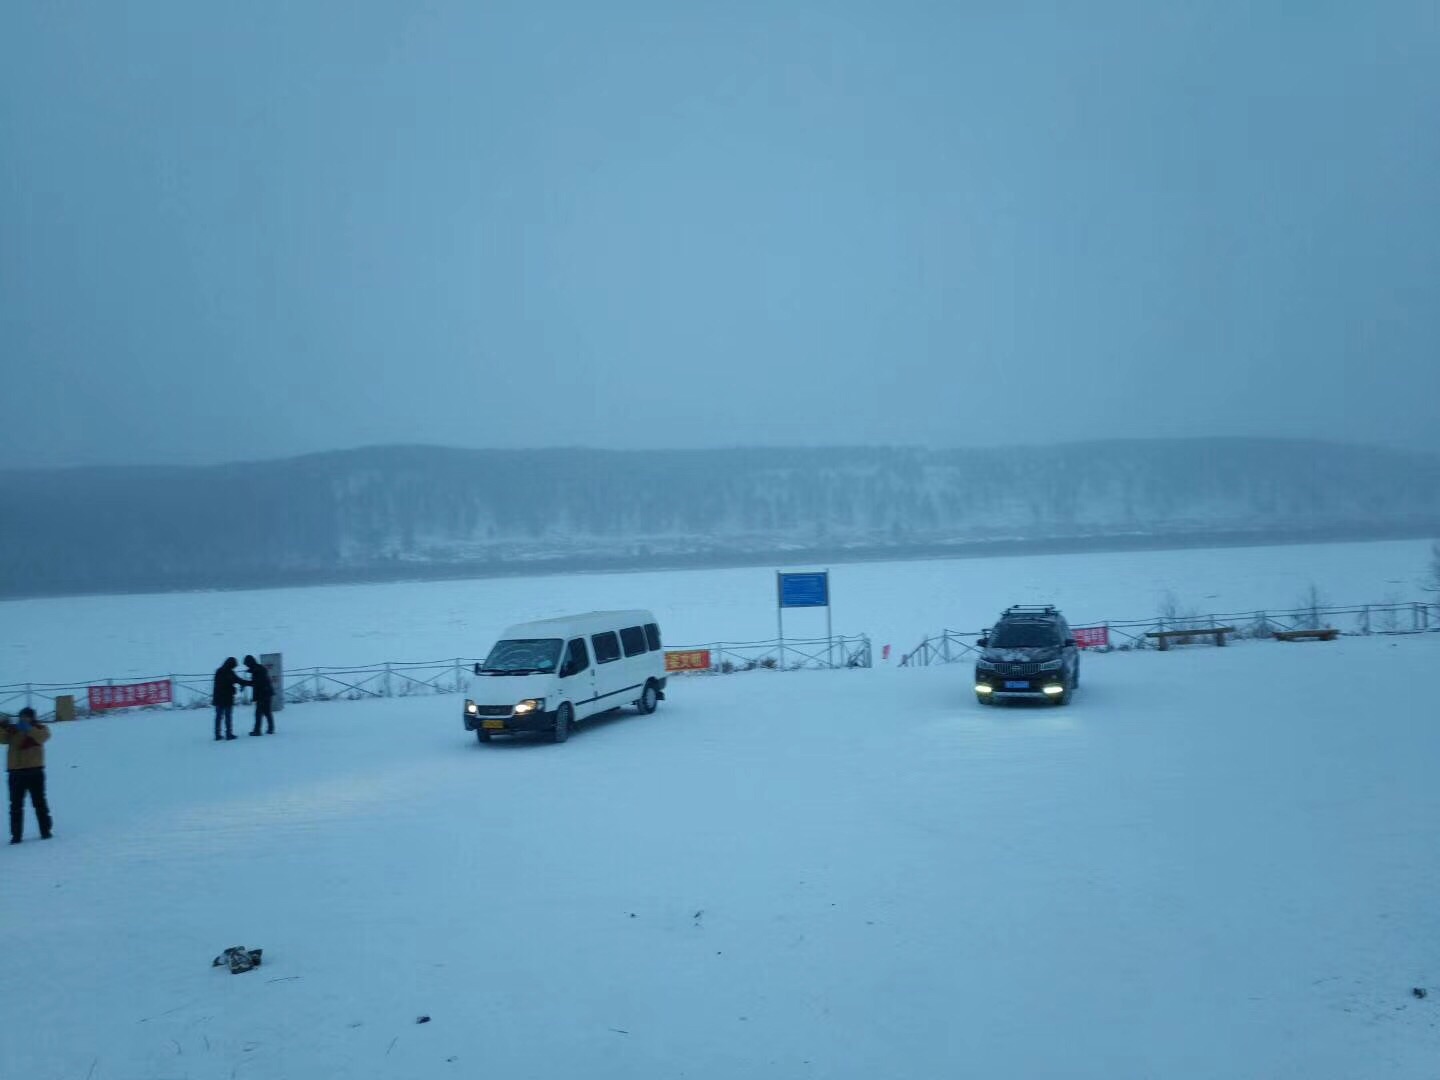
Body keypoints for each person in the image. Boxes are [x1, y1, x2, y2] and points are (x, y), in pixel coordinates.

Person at [1, 707, 53, 844]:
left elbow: (43, 737)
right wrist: (1, 725)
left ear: (32, 718)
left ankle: (45, 831)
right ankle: (16, 835)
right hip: (16, 773)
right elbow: (1, 739)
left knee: (39, 803)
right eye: (21, 717)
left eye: (26, 717)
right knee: (16, 806)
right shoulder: (12, 731)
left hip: (35, 771)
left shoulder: (41, 729)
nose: (23, 719)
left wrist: (28, 729)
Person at [212, 657, 245, 741]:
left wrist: (244, 683)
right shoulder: (228, 672)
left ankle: (218, 734)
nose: (234, 667)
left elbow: (237, 680)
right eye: (234, 666)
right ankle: (228, 734)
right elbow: (230, 682)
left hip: (219, 698)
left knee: (219, 717)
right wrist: (234, 688)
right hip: (226, 698)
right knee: (227, 716)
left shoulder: (220, 671)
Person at [244, 655, 276, 736]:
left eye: (247, 664)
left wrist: (244, 682)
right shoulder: (258, 668)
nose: (246, 666)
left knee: (259, 713)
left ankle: (257, 730)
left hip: (263, 694)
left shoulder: (257, 670)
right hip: (266, 693)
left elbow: (256, 683)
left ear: (250, 663)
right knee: (267, 712)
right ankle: (270, 729)